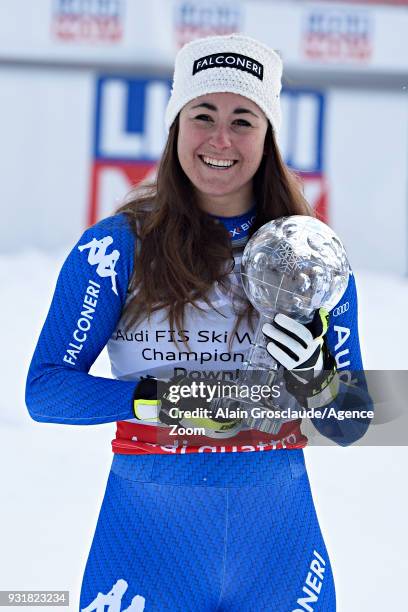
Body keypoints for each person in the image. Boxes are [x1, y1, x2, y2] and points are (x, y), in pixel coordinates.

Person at [26, 34, 367, 611]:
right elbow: (46, 391)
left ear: (269, 137)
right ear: (174, 129)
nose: (220, 139)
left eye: (244, 120)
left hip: (278, 547)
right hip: (146, 543)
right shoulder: (119, 248)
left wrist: (318, 377)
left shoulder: (312, 258)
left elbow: (353, 419)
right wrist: (161, 399)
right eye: (202, 115)